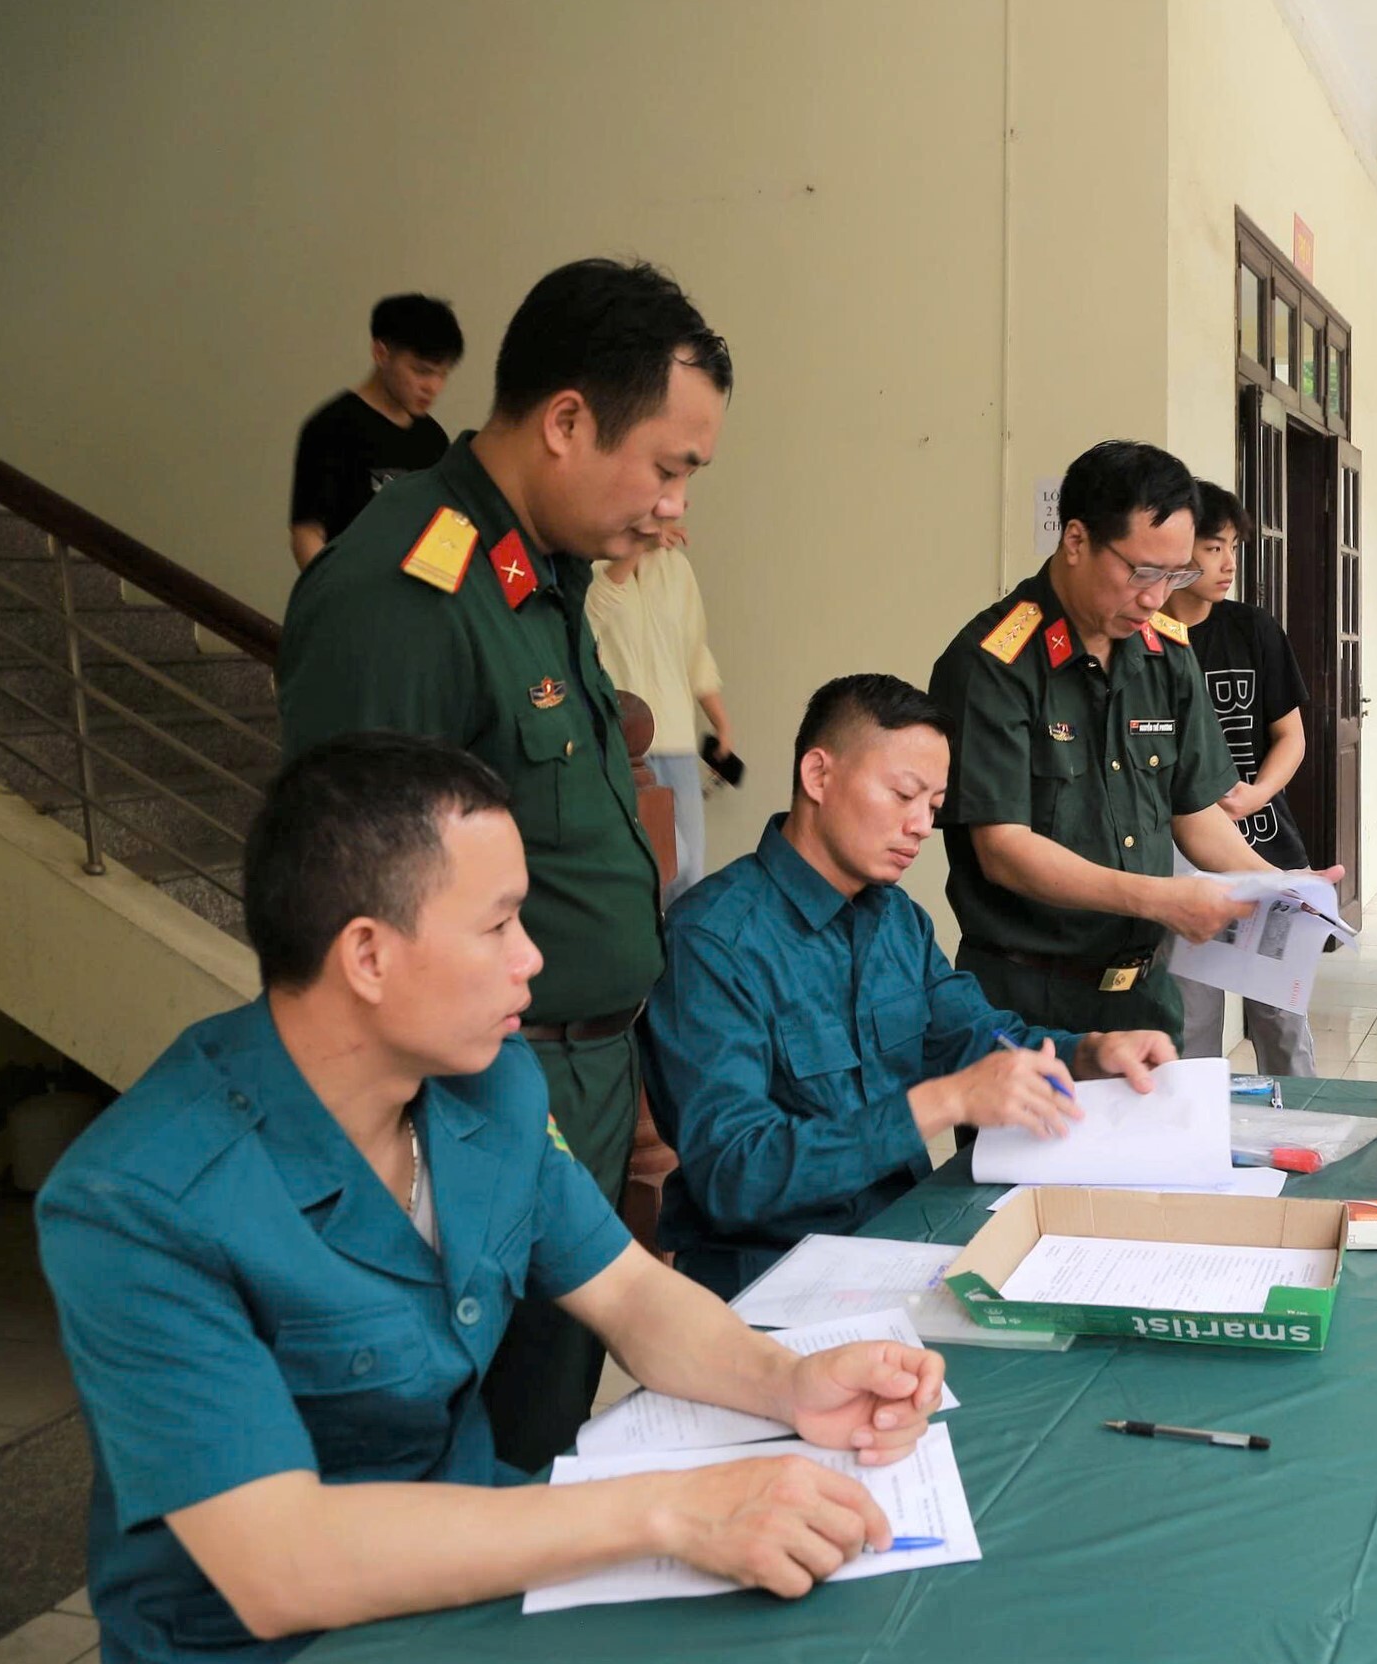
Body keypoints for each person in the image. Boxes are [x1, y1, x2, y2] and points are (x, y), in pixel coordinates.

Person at [36, 733, 948, 1664]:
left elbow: (628, 1292)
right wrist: (674, 1510)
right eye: (499, 924)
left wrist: (786, 1382)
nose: (531, 959)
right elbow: (281, 1565)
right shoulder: (139, 1200)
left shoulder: (488, 1083)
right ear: (368, 955)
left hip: (479, 1571)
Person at [276, 256, 727, 1470]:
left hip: (574, 1072)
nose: (675, 509)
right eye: (669, 468)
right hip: (470, 1093)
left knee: (542, 1422)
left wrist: (627, 1075)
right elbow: (354, 910)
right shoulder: (410, 594)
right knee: (452, 1453)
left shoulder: (537, 575)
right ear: (568, 420)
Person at [640, 674, 1178, 1296]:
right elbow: (735, 1174)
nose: (922, 825)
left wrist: (1089, 1053)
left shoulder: (896, 918)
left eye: (935, 805)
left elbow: (976, 1036)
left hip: (904, 1243)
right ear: (818, 776)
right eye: (903, 795)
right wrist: (944, 1102)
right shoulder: (714, 940)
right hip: (770, 1274)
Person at [928, 441, 1329, 1046]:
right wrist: (1161, 899)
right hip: (1027, 1003)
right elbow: (1003, 849)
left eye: (1175, 575)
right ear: (1076, 540)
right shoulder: (994, 664)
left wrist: (1282, 887)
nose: (1155, 597)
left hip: (1143, 999)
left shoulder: (1166, 654)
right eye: (1141, 573)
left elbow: (1195, 812)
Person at [1160, 481, 1318, 1075]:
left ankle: (1300, 1121)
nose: (1228, 563)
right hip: (1181, 866)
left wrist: (1256, 795)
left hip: (1264, 850)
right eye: (1213, 547)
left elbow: (1291, 736)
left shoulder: (1253, 629)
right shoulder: (1145, 639)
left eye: (1233, 547)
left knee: (1283, 1023)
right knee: (1192, 1026)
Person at [588, 522, 733, 902]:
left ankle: (676, 943)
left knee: (690, 875)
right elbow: (587, 622)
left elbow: (695, 652)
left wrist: (721, 723)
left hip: (677, 743)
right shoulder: (592, 559)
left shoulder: (677, 568)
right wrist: (636, 547)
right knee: (658, 864)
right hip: (621, 746)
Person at [288, 294, 464, 568]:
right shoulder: (332, 426)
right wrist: (332, 590)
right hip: (346, 584)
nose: (433, 387)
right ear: (381, 354)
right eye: (422, 371)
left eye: (442, 374)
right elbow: (307, 534)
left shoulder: (434, 440)